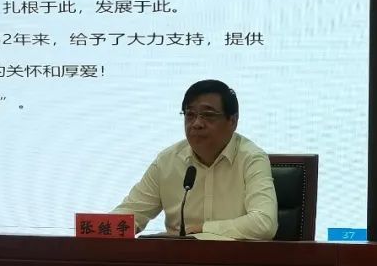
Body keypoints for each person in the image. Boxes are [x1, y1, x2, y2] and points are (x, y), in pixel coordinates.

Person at [112, 79, 278, 240]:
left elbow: (264, 223)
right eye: (190, 115)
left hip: (234, 257)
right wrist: (101, 228)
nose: (197, 123)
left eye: (208, 115)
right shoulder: (167, 161)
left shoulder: (251, 158)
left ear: (232, 121)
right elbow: (130, 214)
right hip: (177, 258)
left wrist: (203, 228)